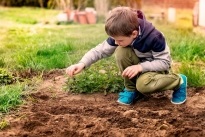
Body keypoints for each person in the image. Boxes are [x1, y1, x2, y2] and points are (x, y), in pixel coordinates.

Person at [66, 6, 187, 105]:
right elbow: (100, 50)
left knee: (143, 85)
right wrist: (82, 63)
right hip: (139, 66)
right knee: (121, 51)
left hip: (157, 70)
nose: (115, 42)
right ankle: (131, 90)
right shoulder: (122, 33)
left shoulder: (155, 37)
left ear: (134, 34)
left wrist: (140, 67)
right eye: (114, 39)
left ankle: (179, 81)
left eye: (119, 40)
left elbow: (165, 63)